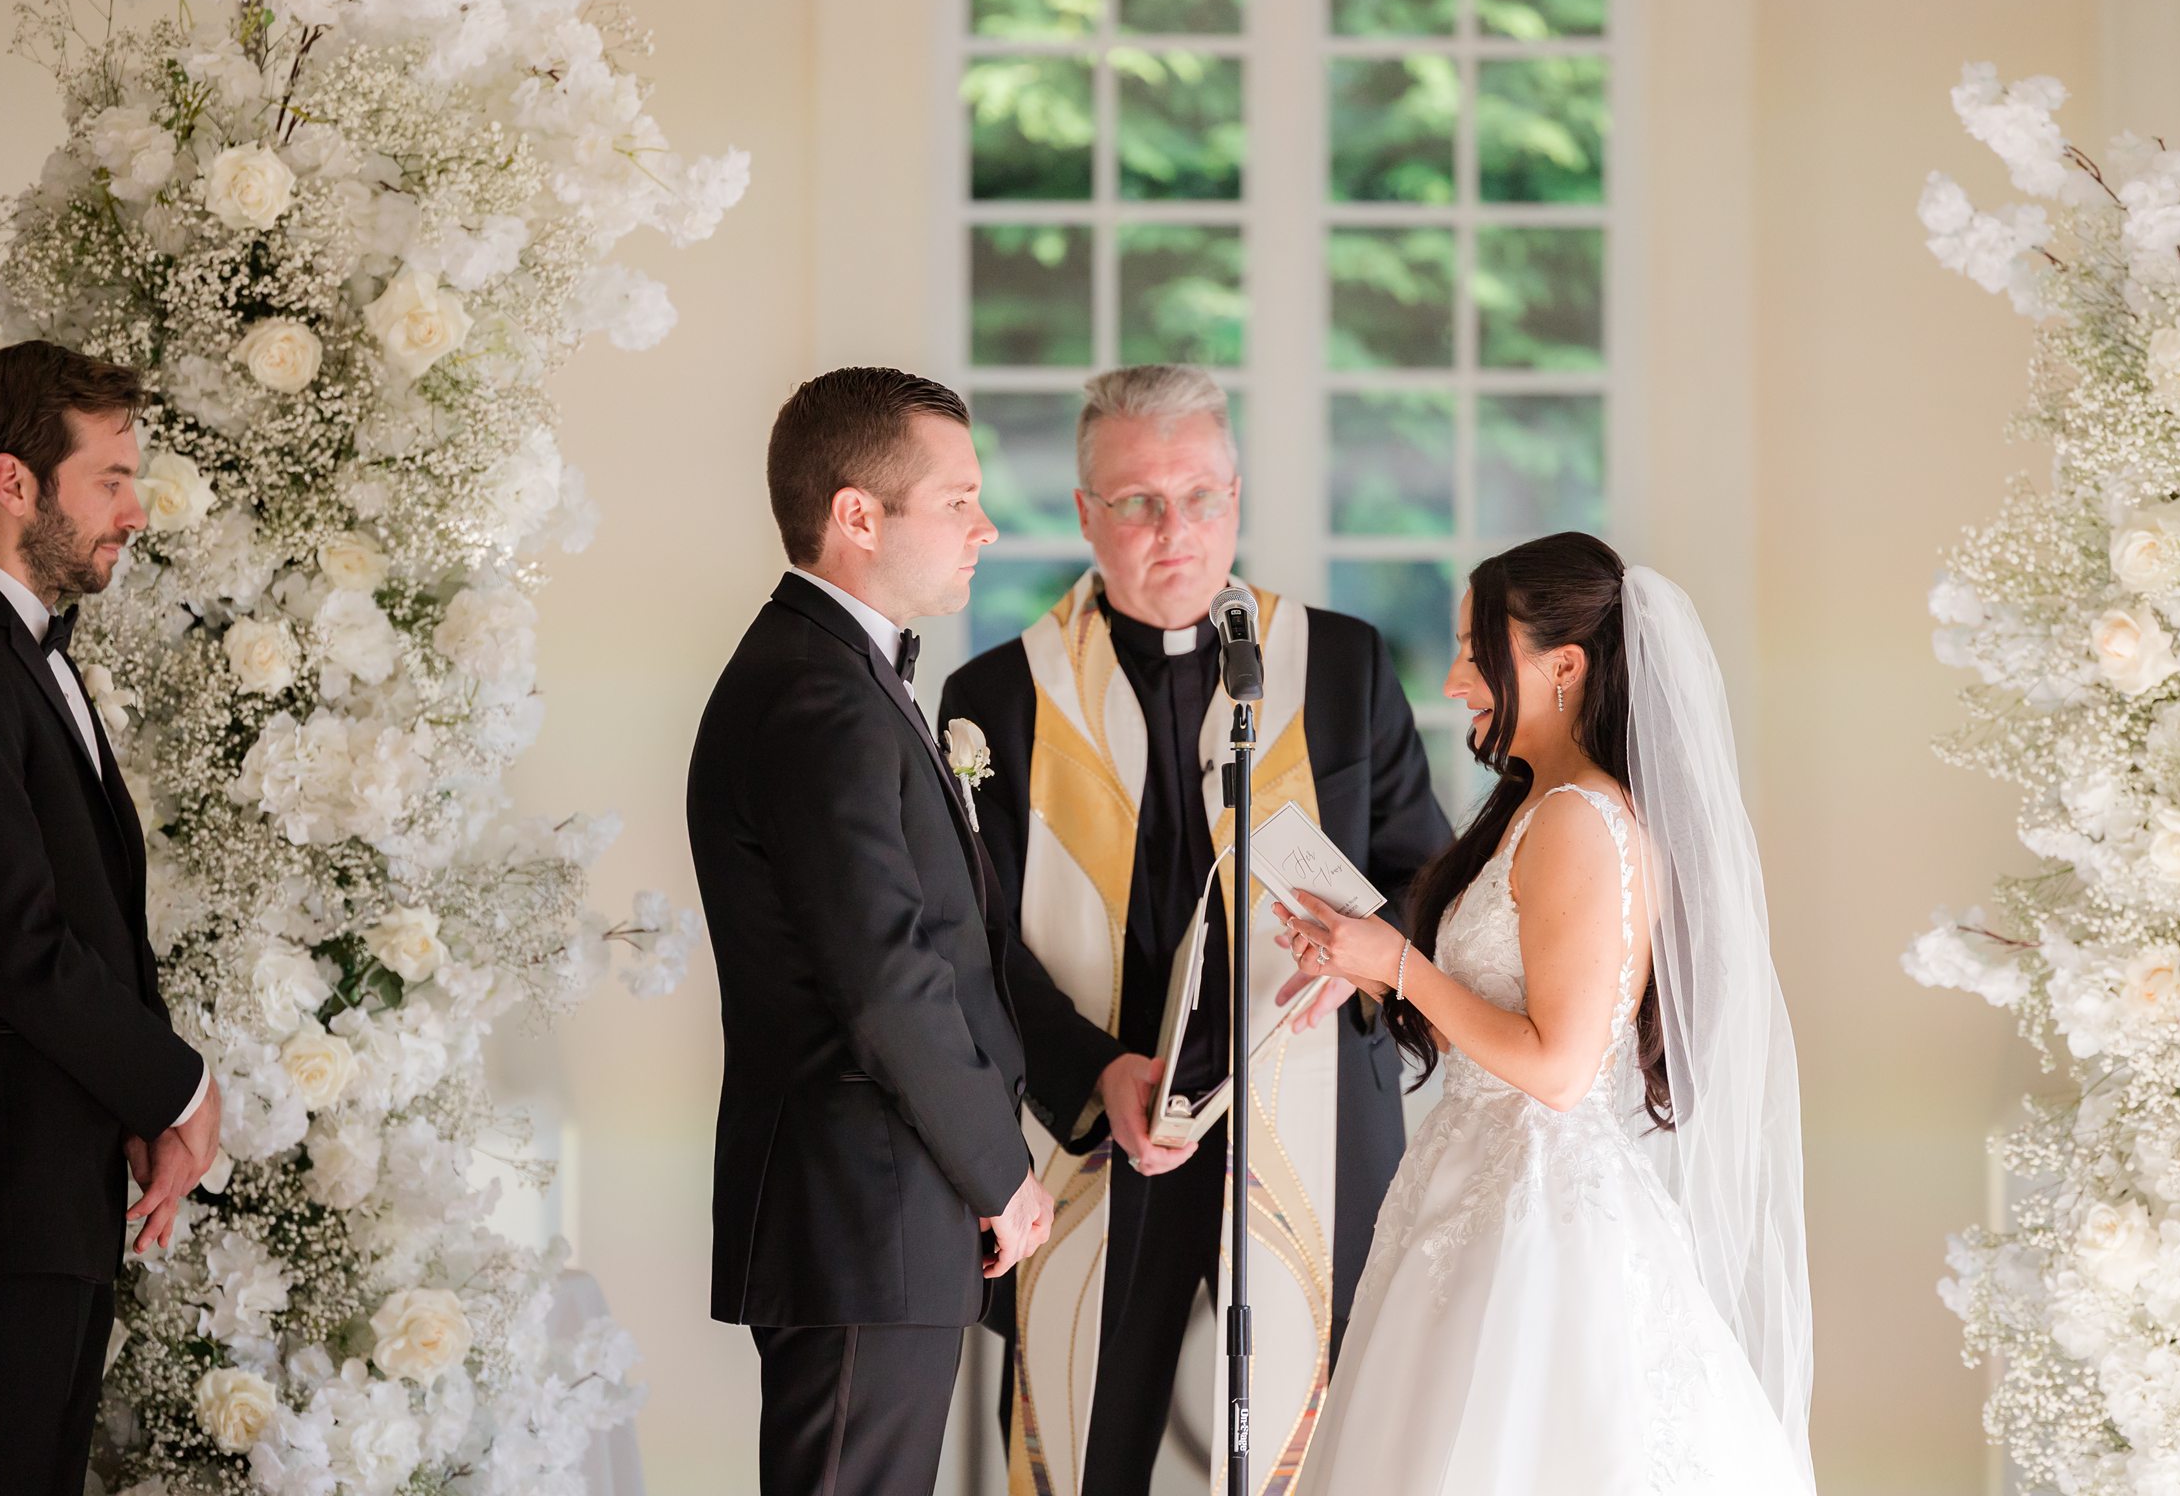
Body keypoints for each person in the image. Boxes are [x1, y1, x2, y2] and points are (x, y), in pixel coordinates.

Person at [937, 364, 1452, 1496]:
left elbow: (1426, 879)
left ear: (1236, 494)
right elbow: (969, 947)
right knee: (1089, 1438)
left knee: (1318, 1449)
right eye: (1137, 502)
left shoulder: (1344, 667)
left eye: (1202, 496)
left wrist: (1366, 951)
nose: (1176, 529)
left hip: (1303, 1106)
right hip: (1095, 1120)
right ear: (1085, 513)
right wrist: (1093, 1073)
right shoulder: (998, 698)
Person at [1279, 532, 1816, 1494]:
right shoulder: (1538, 805)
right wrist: (1369, 967)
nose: (1453, 682)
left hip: (1538, 1216)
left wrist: (1400, 962)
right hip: (1473, 1178)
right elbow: (1500, 1026)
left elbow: (1561, 1072)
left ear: (1562, 664)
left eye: (1476, 654)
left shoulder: (1579, 820)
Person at [688, 367, 1055, 1496]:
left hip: (882, 1207)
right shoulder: (816, 694)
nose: (985, 526)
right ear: (858, 515)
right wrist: (1001, 1173)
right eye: (958, 500)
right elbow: (885, 979)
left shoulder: (840, 676)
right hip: (863, 1207)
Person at [0, 341, 222, 1496]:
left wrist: (137, 1106)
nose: (136, 509)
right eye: (109, 477)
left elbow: (94, 913)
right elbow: (14, 940)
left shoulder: (17, 647)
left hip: (46, 1190)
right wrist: (180, 1088)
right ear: (14, 483)